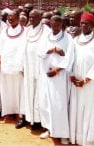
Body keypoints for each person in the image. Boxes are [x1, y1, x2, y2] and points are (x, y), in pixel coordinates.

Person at [38, 15, 74, 144]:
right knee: (45, 103)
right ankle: (49, 129)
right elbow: (40, 52)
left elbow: (69, 56)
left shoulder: (68, 38)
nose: (55, 26)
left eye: (58, 24)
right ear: (50, 24)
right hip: (46, 74)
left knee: (59, 104)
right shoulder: (45, 36)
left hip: (59, 75)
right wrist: (52, 49)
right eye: (53, 23)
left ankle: (63, 133)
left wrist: (58, 69)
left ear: (62, 24)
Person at [69, 12, 94, 146]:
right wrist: (72, 76)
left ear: (92, 25)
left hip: (90, 82)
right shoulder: (75, 40)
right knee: (76, 108)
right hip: (76, 81)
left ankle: (86, 140)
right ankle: (75, 138)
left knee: (88, 109)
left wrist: (86, 79)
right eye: (82, 23)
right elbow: (71, 59)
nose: (83, 25)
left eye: (86, 23)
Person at [0, 10, 27, 128]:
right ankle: (9, 111)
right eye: (9, 17)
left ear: (19, 18)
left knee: (19, 90)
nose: (10, 19)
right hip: (5, 65)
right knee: (7, 89)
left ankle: (20, 115)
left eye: (13, 17)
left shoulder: (26, 32)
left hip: (19, 66)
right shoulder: (4, 31)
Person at [23, 9, 51, 130]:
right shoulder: (27, 30)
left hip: (40, 67)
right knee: (29, 91)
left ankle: (39, 121)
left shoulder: (46, 30)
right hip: (29, 65)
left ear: (40, 18)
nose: (31, 19)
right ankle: (30, 119)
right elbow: (23, 48)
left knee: (40, 93)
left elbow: (48, 49)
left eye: (34, 17)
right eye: (30, 17)